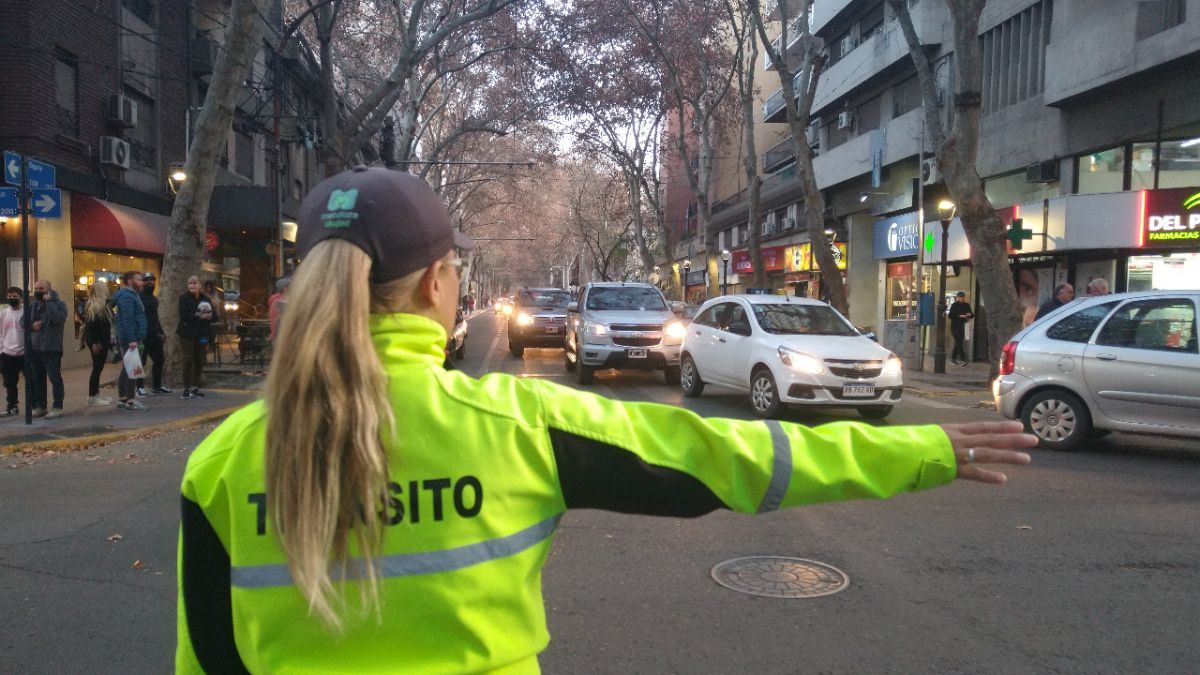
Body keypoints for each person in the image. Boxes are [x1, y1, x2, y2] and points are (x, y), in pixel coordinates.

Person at [175, 167, 1035, 673]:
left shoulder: (219, 463)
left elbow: (205, 660)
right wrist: (919, 451)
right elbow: (728, 457)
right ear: (440, 286)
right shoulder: (516, 423)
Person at [28, 279, 67, 419]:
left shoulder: (59, 304)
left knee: (54, 378)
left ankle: (57, 406)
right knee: (38, 379)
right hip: (35, 348)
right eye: (36, 288)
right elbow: (23, 322)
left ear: (49, 290)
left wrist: (49, 302)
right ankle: (40, 406)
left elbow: (58, 319)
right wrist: (32, 326)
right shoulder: (33, 306)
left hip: (51, 347)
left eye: (41, 288)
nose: (38, 291)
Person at [112, 271, 148, 411]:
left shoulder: (133, 295)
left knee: (127, 368)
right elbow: (128, 319)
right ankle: (130, 400)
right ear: (129, 281)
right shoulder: (127, 297)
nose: (141, 282)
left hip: (132, 337)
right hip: (130, 338)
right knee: (132, 368)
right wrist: (132, 339)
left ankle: (123, 398)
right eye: (138, 279)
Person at [177, 275, 216, 399]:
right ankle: (186, 387)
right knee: (187, 360)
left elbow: (215, 316)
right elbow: (184, 315)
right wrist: (199, 315)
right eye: (190, 283)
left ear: (200, 285)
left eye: (194, 283)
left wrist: (210, 316)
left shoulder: (206, 299)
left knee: (199, 360)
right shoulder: (184, 298)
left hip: (202, 333)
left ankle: (195, 386)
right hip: (187, 334)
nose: (192, 285)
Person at [136, 272, 171, 395]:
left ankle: (157, 386)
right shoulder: (138, 298)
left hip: (154, 335)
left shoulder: (154, 299)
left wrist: (161, 332)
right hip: (142, 336)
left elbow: (155, 317)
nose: (150, 282)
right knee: (141, 362)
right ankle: (138, 387)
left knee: (159, 360)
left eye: (152, 279)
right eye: (147, 280)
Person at [81, 281, 114, 407]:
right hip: (97, 343)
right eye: (105, 288)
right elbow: (90, 327)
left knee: (98, 368)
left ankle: (95, 394)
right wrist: (94, 342)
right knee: (96, 368)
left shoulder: (103, 305)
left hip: (102, 342)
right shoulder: (94, 307)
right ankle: (92, 396)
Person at [0, 287, 25, 416]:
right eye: (9, 296)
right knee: (9, 382)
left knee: (30, 380)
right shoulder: (3, 313)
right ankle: (12, 406)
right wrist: (1, 349)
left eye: (14, 297)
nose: (11, 299)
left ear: (20, 298)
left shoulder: (26, 312)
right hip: (7, 353)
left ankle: (34, 405)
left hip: (24, 353)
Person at [948, 291, 974, 366]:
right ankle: (963, 359)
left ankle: (953, 359)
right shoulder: (954, 305)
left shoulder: (966, 305)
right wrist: (959, 316)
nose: (962, 299)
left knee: (958, 342)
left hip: (964, 326)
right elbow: (950, 315)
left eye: (963, 297)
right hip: (955, 326)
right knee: (958, 342)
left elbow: (972, 315)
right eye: (960, 298)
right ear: (957, 298)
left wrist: (970, 314)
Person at [268, 276, 290, 340]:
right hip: (281, 333)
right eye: (288, 286)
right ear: (284, 288)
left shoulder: (287, 298)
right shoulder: (278, 301)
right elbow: (276, 319)